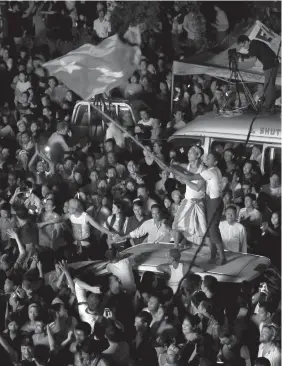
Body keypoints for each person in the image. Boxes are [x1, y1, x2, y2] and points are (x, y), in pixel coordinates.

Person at [237, 35, 279, 112]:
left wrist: (241, 60)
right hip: (271, 64)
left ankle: (267, 106)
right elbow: (250, 56)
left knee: (268, 86)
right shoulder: (254, 44)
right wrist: (240, 55)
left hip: (271, 65)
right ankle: (270, 106)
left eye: (243, 45)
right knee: (269, 85)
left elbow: (253, 59)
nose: (244, 48)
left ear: (246, 41)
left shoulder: (254, 44)